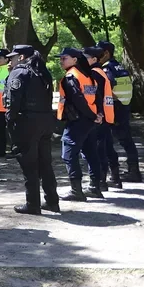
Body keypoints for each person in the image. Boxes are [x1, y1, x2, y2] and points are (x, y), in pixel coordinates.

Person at [3, 45, 61, 215]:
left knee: (29, 164)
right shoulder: (42, 71)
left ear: (20, 57)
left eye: (12, 57)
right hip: (44, 120)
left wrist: (10, 119)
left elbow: (13, 99)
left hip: (26, 122)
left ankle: (33, 203)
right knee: (45, 163)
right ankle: (52, 201)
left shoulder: (19, 72)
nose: (10, 61)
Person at [56, 47, 105, 202]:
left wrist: (93, 115)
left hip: (78, 121)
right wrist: (98, 115)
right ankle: (95, 187)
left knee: (68, 154)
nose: (60, 61)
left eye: (64, 58)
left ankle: (76, 191)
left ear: (75, 59)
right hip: (89, 121)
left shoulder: (71, 76)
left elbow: (79, 100)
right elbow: (97, 96)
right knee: (91, 153)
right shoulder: (87, 75)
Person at [98, 41, 142, 183]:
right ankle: (133, 171)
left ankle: (114, 174)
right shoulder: (119, 66)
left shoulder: (107, 69)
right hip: (124, 106)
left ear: (106, 53)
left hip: (115, 108)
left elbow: (107, 88)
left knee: (107, 141)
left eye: (99, 53)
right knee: (127, 140)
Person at [85, 47, 118, 192]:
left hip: (99, 117)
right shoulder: (101, 72)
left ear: (93, 59)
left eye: (85, 57)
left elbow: (92, 95)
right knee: (103, 148)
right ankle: (103, 181)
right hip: (106, 116)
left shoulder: (94, 73)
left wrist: (95, 114)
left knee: (96, 150)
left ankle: (99, 182)